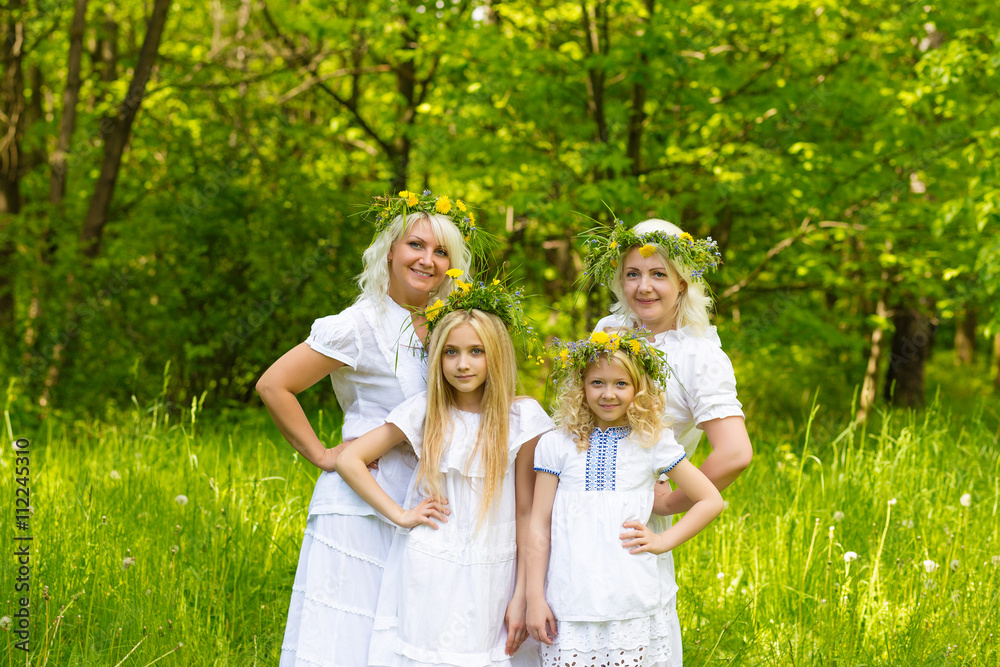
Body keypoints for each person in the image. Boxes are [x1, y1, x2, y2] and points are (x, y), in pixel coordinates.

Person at [256, 190, 480, 667]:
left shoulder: (450, 326)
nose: (427, 260)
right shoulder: (359, 324)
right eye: (416, 246)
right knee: (348, 639)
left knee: (408, 635)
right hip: (361, 501)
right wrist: (322, 454)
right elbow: (275, 385)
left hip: (430, 499)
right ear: (391, 251)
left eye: (441, 252)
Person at [336, 280, 553, 667]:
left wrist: (522, 594)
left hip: (496, 566)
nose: (462, 364)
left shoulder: (522, 418)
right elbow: (350, 461)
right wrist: (402, 515)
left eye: (476, 352)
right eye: (451, 352)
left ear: (496, 356)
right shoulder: (425, 411)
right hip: (431, 560)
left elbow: (526, 512)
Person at [586, 217, 753, 665]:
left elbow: (735, 453)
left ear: (683, 281)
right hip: (581, 499)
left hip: (634, 516)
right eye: (633, 274)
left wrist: (670, 502)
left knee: (628, 632)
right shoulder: (610, 328)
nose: (644, 287)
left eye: (658, 274)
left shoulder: (700, 354)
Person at [526, 330, 724, 666]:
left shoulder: (652, 441)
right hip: (570, 603)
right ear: (581, 386)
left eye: (621, 384)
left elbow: (710, 500)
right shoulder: (556, 444)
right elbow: (538, 525)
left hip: (633, 601)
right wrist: (534, 596)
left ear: (638, 389)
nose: (608, 394)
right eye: (597, 383)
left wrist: (663, 541)